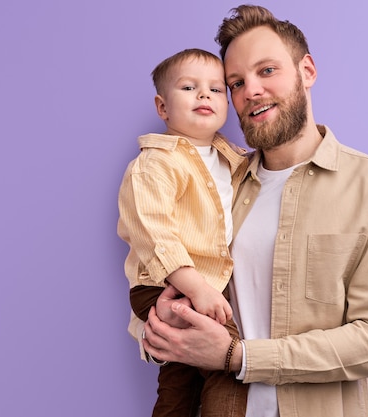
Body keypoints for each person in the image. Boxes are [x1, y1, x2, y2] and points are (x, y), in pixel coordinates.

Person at [142, 5, 368, 416]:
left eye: (267, 70)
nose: (250, 90)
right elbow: (171, 287)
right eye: (235, 82)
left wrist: (239, 357)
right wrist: (164, 332)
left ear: (307, 71)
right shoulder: (216, 188)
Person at [117, 48, 248, 417]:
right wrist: (197, 288)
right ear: (163, 108)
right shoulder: (155, 164)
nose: (204, 95)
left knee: (188, 382)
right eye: (189, 87)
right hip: (167, 285)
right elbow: (154, 234)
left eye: (216, 89)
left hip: (212, 287)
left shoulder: (235, 161)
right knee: (204, 373)